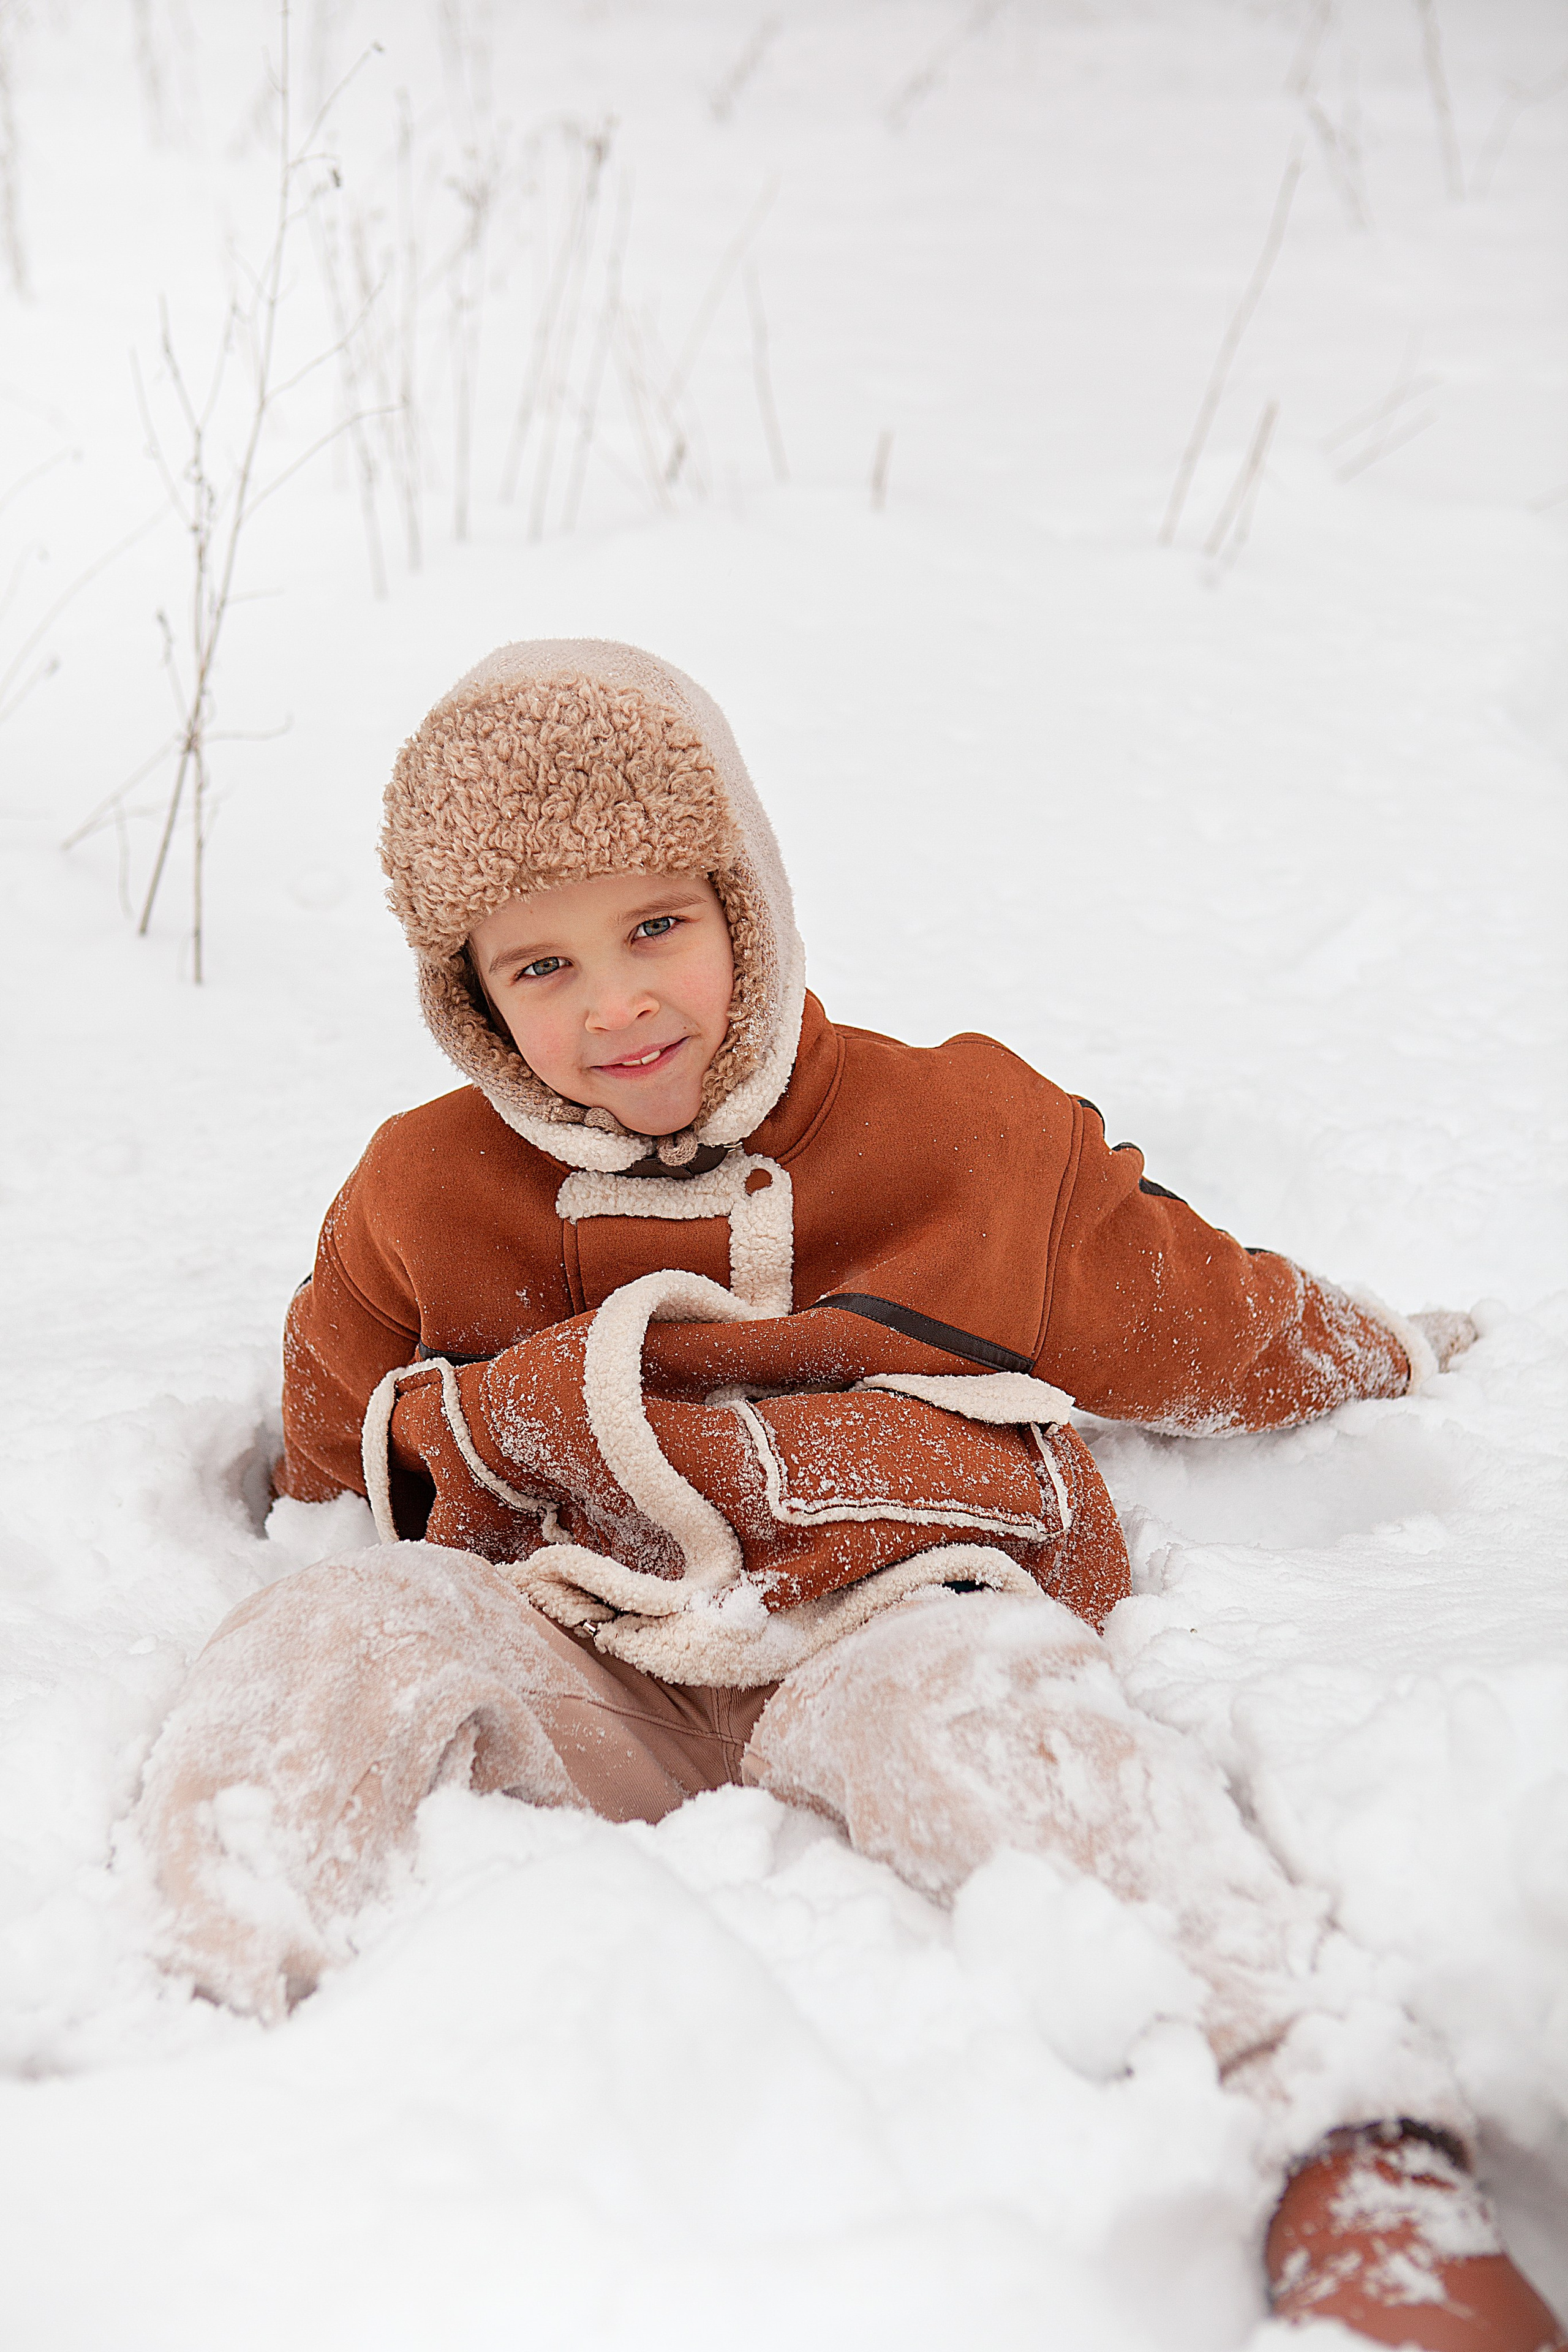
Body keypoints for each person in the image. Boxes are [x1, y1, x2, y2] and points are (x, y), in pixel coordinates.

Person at [135, 641, 1563, 2349]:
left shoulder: (958, 1133)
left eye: (656, 925)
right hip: (585, 1649)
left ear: (747, 896)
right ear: (471, 998)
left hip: (883, 1614)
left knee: (1005, 1706)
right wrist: (338, 1531)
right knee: (339, 1623)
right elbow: (331, 1440)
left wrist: (1388, 1349)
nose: (615, 1006)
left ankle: (1340, 2136)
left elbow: (1198, 1309)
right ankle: (205, 2054)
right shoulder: (421, 1191)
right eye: (543, 965)